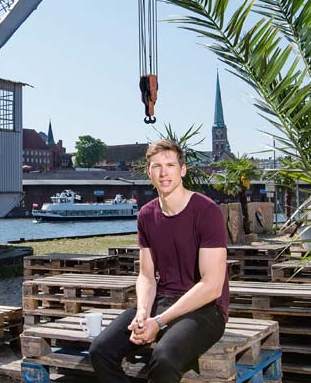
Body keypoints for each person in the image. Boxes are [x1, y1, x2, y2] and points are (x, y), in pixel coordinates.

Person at [90, 139, 229, 383]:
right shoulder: (146, 214)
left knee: (164, 359)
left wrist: (160, 322)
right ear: (149, 172)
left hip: (206, 310)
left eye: (170, 165)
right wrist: (142, 312)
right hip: (161, 302)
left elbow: (212, 286)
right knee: (100, 351)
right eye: (156, 166)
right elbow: (146, 275)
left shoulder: (207, 211)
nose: (164, 173)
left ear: (182, 170)